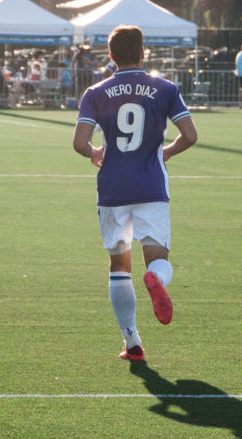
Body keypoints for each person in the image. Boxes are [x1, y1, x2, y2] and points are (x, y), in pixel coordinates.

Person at [72, 25, 198, 362]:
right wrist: (166, 152)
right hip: (151, 186)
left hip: (113, 188)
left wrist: (94, 154)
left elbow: (79, 143)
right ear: (144, 53)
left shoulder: (95, 92)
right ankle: (155, 278)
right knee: (157, 258)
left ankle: (133, 343)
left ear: (110, 56)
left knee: (118, 265)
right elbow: (190, 135)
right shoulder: (165, 88)